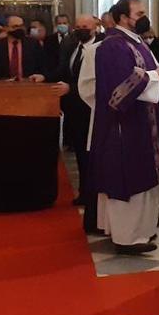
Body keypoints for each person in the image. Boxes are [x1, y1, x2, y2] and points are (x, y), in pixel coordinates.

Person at [90, 0, 159, 254]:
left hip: (144, 122)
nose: (144, 17)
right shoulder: (113, 46)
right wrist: (155, 76)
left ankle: (142, 230)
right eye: (138, 13)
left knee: (145, 178)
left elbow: (148, 74)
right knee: (129, 178)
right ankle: (127, 237)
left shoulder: (137, 43)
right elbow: (118, 88)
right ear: (122, 18)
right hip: (125, 127)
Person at [60, 15, 100, 230]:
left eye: (85, 27)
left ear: (95, 27)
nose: (81, 30)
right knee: (80, 155)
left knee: (91, 154)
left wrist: (71, 89)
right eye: (78, 27)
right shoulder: (73, 46)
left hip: (91, 109)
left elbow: (95, 82)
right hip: (74, 111)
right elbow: (67, 72)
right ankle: (84, 191)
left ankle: (91, 193)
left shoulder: (101, 47)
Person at [0, 14, 48, 81]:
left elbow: (42, 67)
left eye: (21, 26)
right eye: (15, 26)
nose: (19, 29)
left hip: (28, 84)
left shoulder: (33, 44)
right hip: (2, 85)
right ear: (6, 28)